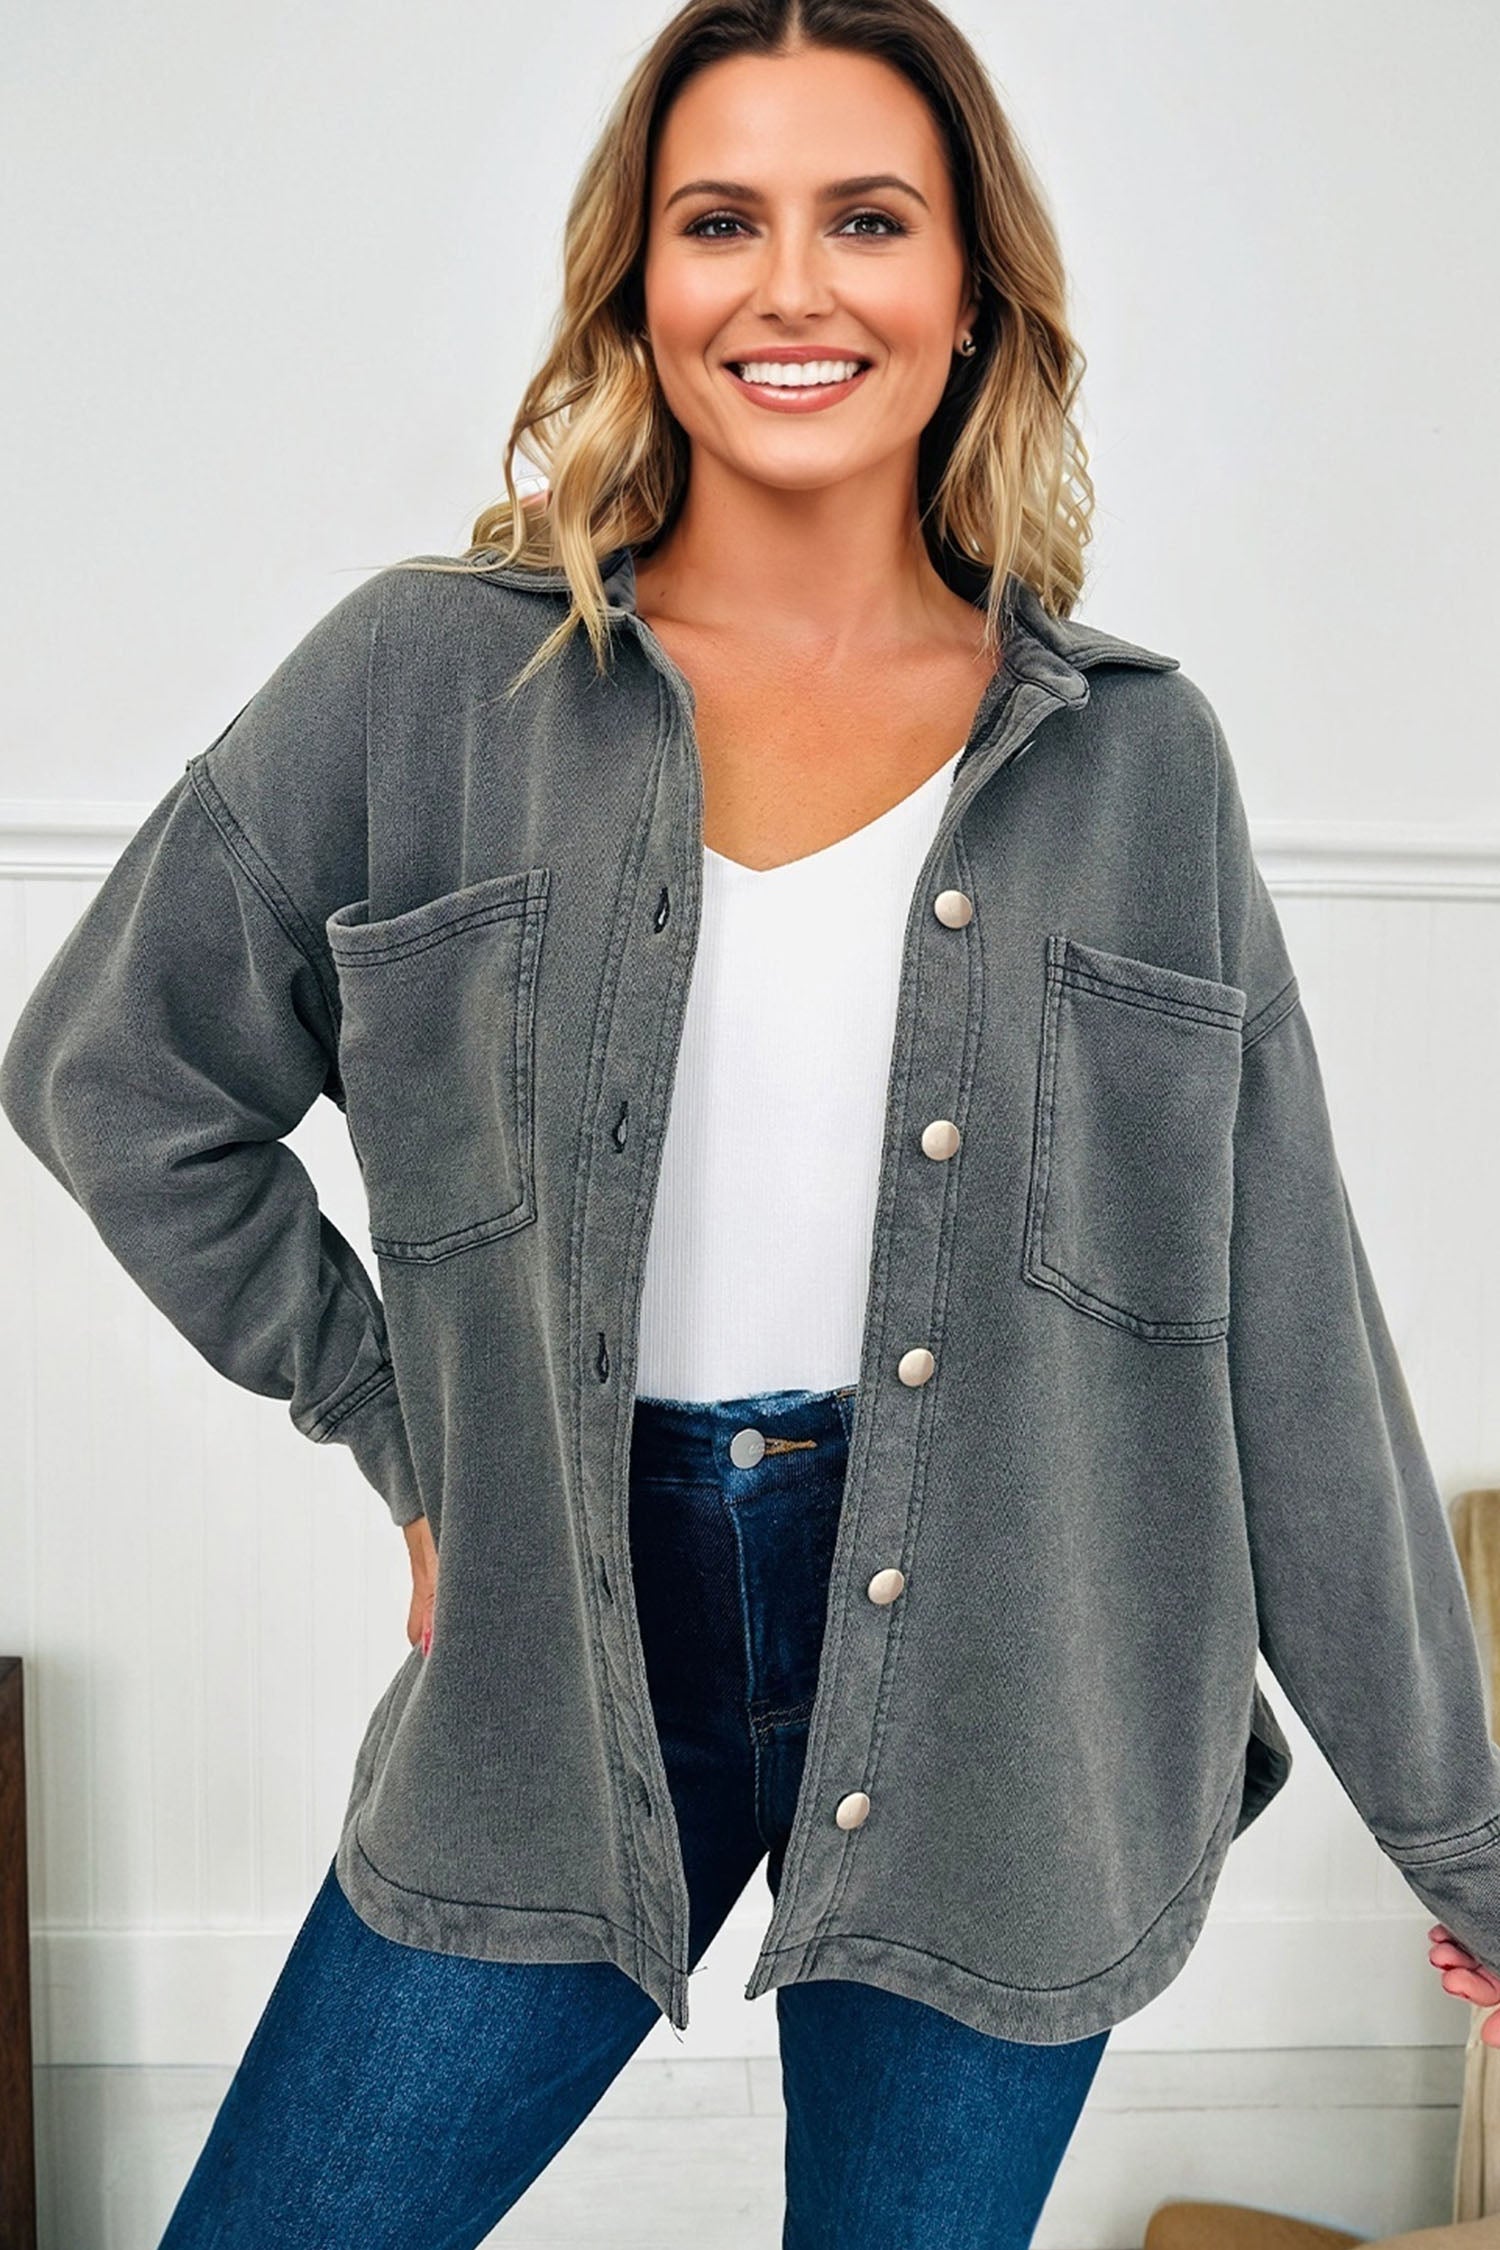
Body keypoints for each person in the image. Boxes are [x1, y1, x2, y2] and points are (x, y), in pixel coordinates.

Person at [4, 1, 1499, 2244]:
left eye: (866, 219)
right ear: (640, 287)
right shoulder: (427, 684)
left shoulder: (1135, 768)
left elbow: (1293, 1340)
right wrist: (413, 1425)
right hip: (562, 1640)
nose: (793, 286)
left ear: (969, 289)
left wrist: (1468, 1838)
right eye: (723, 221)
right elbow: (113, 1079)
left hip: (1022, 1678)